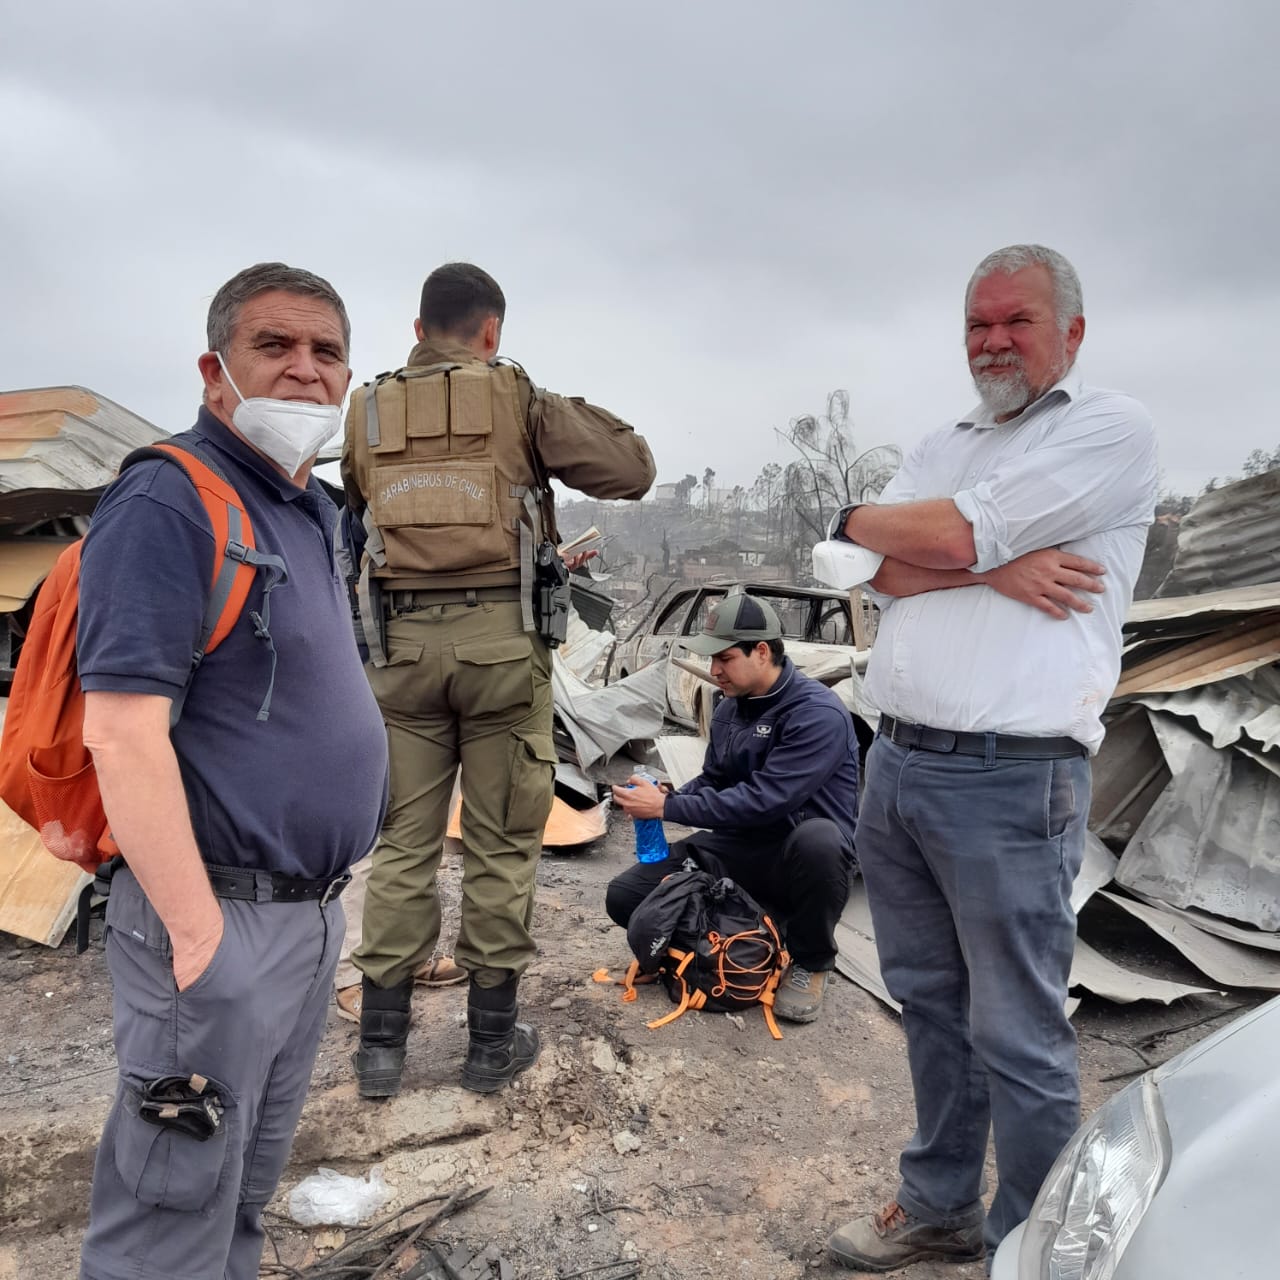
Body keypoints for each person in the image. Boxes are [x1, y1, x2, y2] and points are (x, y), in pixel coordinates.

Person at [822, 244, 1158, 1271]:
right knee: (925, 999)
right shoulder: (941, 440)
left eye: (1015, 320)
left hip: (1012, 778)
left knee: (1015, 1031)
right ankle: (938, 1205)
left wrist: (957, 546)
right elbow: (845, 558)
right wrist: (986, 565)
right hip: (900, 765)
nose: (992, 341)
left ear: (1071, 331)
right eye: (976, 323)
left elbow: (956, 534)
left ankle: (1035, 1243)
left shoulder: (1109, 430)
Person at [77, 264, 389, 1280]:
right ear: (216, 371)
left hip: (300, 917)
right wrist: (200, 936)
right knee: (167, 1213)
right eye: (275, 347)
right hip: (211, 916)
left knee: (241, 1188)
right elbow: (122, 732)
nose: (304, 370)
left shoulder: (308, 510)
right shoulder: (170, 500)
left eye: (326, 352)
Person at [341, 261, 655, 1097]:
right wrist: (532, 401)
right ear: (492, 332)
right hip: (502, 657)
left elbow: (355, 502)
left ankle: (380, 1051)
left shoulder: (365, 407)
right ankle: (487, 1047)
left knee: (403, 846)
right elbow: (633, 469)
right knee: (501, 844)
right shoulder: (517, 396)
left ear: (416, 330)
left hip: (398, 656)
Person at [606, 592, 859, 1023]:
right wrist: (672, 793)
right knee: (626, 897)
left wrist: (667, 809)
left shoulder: (816, 713)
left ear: (762, 651)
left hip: (795, 858)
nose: (714, 670)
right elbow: (716, 780)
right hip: (739, 850)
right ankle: (737, 935)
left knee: (821, 840)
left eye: (724, 658)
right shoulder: (729, 709)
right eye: (711, 660)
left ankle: (811, 960)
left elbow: (765, 800)